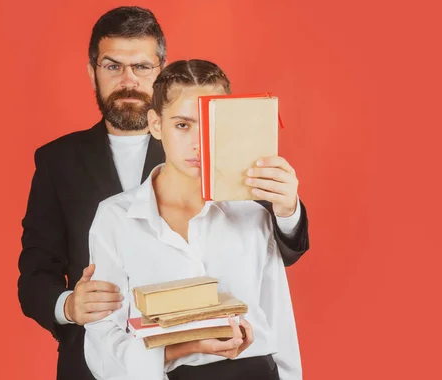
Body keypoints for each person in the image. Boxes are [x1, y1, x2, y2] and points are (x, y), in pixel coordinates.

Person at [18, 6, 309, 380]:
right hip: (104, 363)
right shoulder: (60, 164)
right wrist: (69, 306)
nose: (128, 80)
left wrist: (288, 210)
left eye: (141, 67)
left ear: (159, 72)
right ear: (93, 73)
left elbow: (274, 276)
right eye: (112, 66)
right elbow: (34, 273)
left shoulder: (223, 166)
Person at [84, 59, 301, 380]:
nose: (199, 143)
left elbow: (280, 321)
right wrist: (178, 349)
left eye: (211, 124)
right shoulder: (115, 217)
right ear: (156, 124)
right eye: (183, 125)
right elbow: (103, 336)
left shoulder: (253, 213)